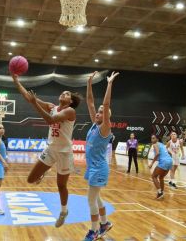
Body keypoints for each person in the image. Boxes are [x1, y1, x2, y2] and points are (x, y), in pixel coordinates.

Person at [12, 74, 82, 228]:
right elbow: (28, 96)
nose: (64, 94)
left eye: (67, 94)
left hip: (64, 152)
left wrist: (34, 104)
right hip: (50, 149)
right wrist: (16, 80)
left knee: (61, 185)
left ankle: (64, 211)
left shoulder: (70, 111)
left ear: (70, 101)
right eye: (63, 92)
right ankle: (44, 172)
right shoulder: (52, 106)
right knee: (30, 180)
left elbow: (50, 120)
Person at [83, 71, 118, 240]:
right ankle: (104, 223)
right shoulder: (94, 125)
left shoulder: (105, 128)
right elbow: (90, 102)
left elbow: (106, 102)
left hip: (99, 168)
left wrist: (109, 84)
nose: (98, 112)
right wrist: (89, 83)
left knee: (90, 199)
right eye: (98, 111)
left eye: (102, 112)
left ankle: (94, 230)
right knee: (96, 198)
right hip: (92, 167)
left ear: (106, 117)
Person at [149, 135, 173, 200]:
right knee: (161, 177)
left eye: (153, 138)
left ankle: (160, 193)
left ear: (157, 139)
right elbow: (169, 153)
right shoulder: (162, 144)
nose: (152, 139)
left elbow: (157, 154)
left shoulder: (155, 144)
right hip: (170, 161)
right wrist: (169, 160)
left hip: (164, 162)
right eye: (151, 138)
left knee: (154, 176)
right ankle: (162, 192)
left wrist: (151, 163)